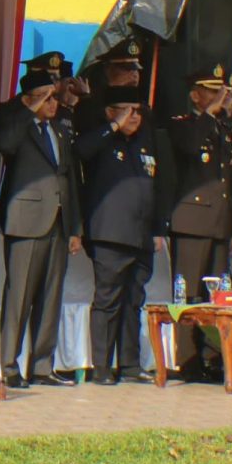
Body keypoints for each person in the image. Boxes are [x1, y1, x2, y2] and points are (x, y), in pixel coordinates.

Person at [0, 70, 79, 389]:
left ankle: (42, 365)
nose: (53, 103)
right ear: (29, 99)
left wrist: (75, 227)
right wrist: (28, 110)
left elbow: (69, 178)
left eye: (54, 97)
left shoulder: (59, 130)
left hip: (58, 220)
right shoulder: (20, 125)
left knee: (51, 296)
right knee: (20, 296)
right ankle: (8, 364)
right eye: (45, 98)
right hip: (26, 220)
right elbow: (5, 143)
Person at [74, 84, 165, 385]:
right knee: (108, 301)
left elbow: (155, 187)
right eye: (126, 111)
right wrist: (113, 126)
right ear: (110, 112)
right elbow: (80, 150)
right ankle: (102, 366)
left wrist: (158, 229)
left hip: (141, 235)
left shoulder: (144, 141)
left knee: (133, 300)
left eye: (137, 111)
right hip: (110, 235)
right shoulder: (102, 139)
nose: (134, 116)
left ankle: (129, 364)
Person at [164, 64, 232, 383]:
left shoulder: (222, 128)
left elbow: (230, 180)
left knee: (217, 295)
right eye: (212, 91)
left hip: (220, 221)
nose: (220, 96)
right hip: (191, 220)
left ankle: (213, 357)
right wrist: (210, 114)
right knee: (189, 293)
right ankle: (188, 359)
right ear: (196, 96)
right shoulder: (182, 124)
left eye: (222, 91)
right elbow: (191, 147)